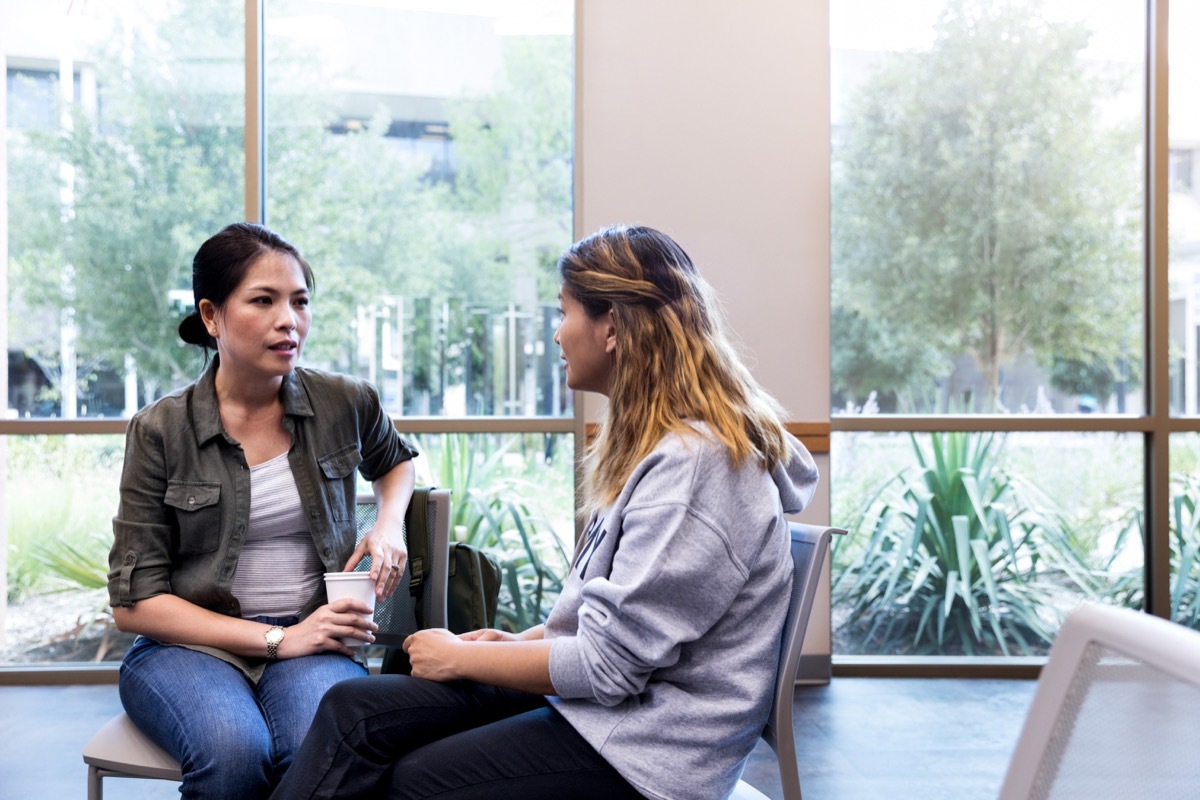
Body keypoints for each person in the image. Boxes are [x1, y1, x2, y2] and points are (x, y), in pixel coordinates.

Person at [271, 224, 819, 800]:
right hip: (610, 713)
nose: (558, 335)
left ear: (612, 326)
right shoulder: (662, 449)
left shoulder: (696, 469)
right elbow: (612, 626)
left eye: (564, 313)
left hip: (646, 752)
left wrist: (464, 658)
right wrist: (516, 643)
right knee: (353, 707)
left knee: (413, 779)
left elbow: (610, 667)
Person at [108, 222, 420, 799]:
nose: (289, 320)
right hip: (189, 648)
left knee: (318, 752)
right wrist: (280, 641)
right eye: (264, 300)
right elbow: (136, 605)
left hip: (315, 633)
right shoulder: (160, 430)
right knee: (233, 754)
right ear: (211, 316)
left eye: (300, 301)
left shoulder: (344, 401)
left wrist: (387, 523)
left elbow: (396, 461)